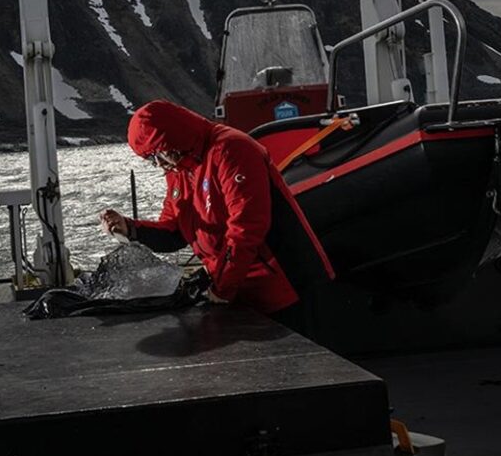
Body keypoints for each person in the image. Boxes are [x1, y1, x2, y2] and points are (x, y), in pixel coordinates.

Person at [100, 99, 334, 335]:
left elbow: (246, 228)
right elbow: (175, 231)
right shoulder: (179, 168)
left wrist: (222, 288)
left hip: (285, 286)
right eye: (151, 159)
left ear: (174, 139)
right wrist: (130, 228)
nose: (160, 165)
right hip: (239, 287)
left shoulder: (232, 150)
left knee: (300, 363)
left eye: (159, 154)